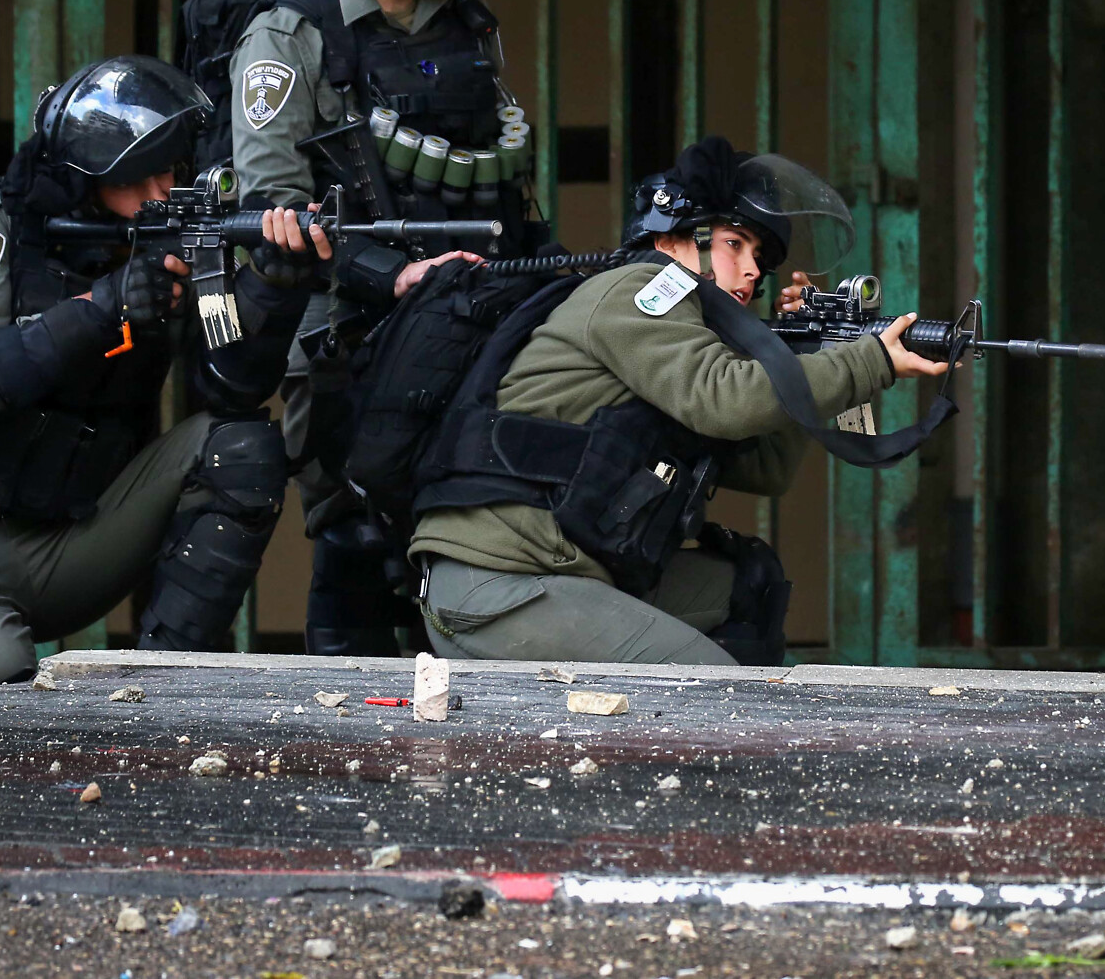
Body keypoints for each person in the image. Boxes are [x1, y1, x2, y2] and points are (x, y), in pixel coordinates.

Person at [0, 56, 332, 685]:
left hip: (76, 539)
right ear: (86, 179)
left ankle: (160, 684)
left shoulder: (170, 233)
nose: (159, 196)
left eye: (168, 172)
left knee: (241, 447)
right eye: (137, 181)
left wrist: (277, 286)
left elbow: (234, 389)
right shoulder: (1, 224)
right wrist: (98, 311)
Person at [406, 137, 950, 666]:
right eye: (734, 244)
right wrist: (866, 361)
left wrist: (796, 344)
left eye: (759, 256)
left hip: (563, 570)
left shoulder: (687, 337)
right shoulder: (637, 292)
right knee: (715, 691)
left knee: (749, 588)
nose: (754, 269)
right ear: (670, 241)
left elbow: (767, 469)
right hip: (497, 583)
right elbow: (726, 401)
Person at [228, 0, 543, 657]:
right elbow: (270, 213)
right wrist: (386, 276)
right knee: (360, 541)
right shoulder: (292, 39)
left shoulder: (467, 21)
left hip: (467, 316)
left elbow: (503, 189)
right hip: (345, 330)